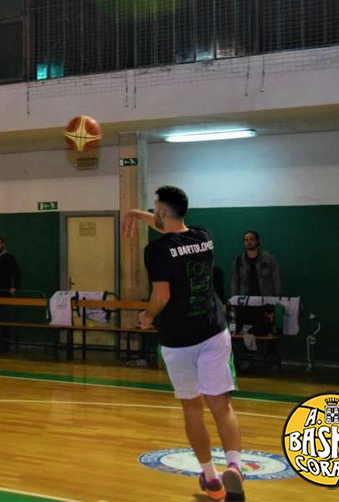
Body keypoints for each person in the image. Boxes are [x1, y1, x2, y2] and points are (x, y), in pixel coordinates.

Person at [122, 186, 245, 502]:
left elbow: (161, 295)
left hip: (178, 339)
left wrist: (147, 316)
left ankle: (212, 479)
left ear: (162, 210)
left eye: (155, 207)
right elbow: (171, 228)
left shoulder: (156, 251)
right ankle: (234, 465)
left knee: (192, 407)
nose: (154, 212)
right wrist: (136, 213)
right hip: (213, 331)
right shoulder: (204, 237)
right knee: (221, 405)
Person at [230, 230, 281, 297]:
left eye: (251, 239)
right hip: (246, 300)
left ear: (257, 241)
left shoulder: (269, 259)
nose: (249, 242)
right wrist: (234, 299)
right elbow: (234, 283)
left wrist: (277, 298)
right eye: (246, 240)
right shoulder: (238, 261)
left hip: (266, 298)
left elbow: (276, 280)